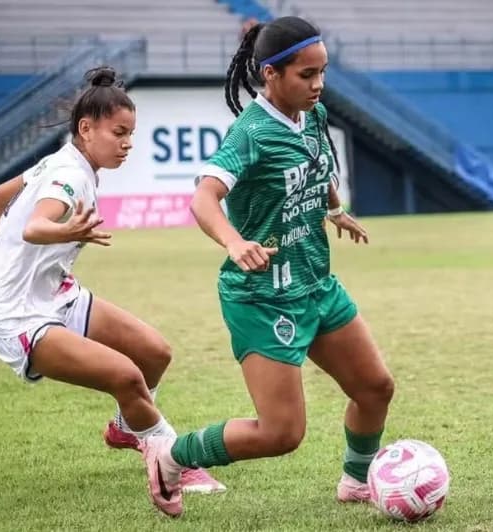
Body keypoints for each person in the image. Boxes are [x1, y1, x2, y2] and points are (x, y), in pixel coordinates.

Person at [140, 16, 395, 518]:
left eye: (322, 72)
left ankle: (356, 482)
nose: (318, 84)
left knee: (375, 388)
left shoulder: (313, 114)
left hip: (317, 285)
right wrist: (234, 242)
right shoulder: (250, 134)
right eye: (306, 74)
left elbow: (317, 166)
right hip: (261, 296)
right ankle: (171, 456)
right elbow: (203, 198)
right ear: (270, 74)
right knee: (281, 434)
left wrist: (334, 209)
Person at [0, 66, 224, 513]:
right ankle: (172, 460)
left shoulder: (63, 161)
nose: (127, 143)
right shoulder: (70, 175)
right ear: (86, 129)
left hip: (57, 295)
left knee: (154, 353)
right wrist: (62, 231)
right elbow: (35, 226)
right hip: (19, 317)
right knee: (126, 376)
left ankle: (129, 428)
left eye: (131, 134)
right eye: (119, 132)